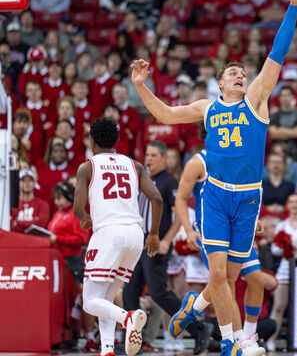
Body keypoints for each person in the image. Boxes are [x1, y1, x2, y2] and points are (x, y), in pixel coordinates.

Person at [130, 0, 297, 356]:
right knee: (216, 273)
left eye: (243, 73)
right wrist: (142, 85)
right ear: (220, 84)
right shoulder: (206, 107)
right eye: (233, 74)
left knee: (227, 276)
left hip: (248, 198)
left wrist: (292, 9)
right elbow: (164, 115)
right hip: (215, 198)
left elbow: (277, 55)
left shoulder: (256, 101)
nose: (241, 75)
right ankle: (230, 342)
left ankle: (194, 307)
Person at [72, 118, 163, 356]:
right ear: (116, 140)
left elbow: (77, 208)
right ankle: (108, 349)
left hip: (109, 234)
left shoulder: (88, 166)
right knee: (106, 298)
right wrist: (153, 234)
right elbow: (157, 199)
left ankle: (128, 317)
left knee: (91, 301)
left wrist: (84, 217)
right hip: (135, 234)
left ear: (92, 141)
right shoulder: (135, 165)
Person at [170, 149, 267, 356]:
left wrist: (252, 217)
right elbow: (180, 199)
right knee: (224, 280)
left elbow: (247, 190)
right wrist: (188, 230)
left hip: (238, 226)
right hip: (212, 228)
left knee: (256, 279)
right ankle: (241, 340)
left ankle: (195, 308)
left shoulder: (237, 157)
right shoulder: (198, 162)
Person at [123, 141, 214, 354]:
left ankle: (199, 328)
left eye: (154, 155)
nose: (149, 158)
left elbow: (178, 217)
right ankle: (130, 340)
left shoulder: (168, 181)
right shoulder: (142, 179)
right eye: (147, 154)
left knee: (158, 293)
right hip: (139, 241)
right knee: (130, 291)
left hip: (156, 242)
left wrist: (166, 241)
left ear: (164, 158)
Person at [267, 193, 297, 352]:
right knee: (278, 306)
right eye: (292, 202)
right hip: (285, 266)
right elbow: (275, 250)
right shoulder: (282, 225)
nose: (295, 205)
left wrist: (293, 242)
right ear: (287, 205)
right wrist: (288, 244)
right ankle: (271, 340)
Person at [269, 85, 297, 165]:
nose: (285, 98)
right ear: (279, 98)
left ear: (293, 97)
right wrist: (292, 131)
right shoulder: (274, 116)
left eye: (288, 95)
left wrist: (281, 131)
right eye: (283, 96)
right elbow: (273, 134)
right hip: (278, 154)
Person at [11, 169, 50, 233]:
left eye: (30, 180)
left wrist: (18, 223)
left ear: (34, 183)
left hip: (36, 240)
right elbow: (11, 226)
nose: (27, 183)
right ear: (18, 183)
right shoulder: (12, 204)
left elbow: (42, 224)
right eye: (23, 181)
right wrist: (34, 221)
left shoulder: (43, 204)